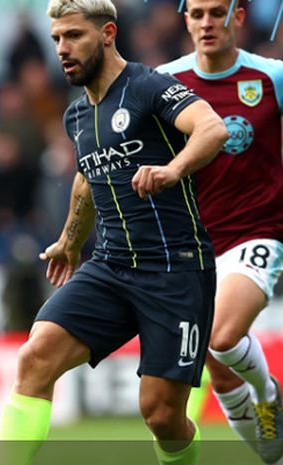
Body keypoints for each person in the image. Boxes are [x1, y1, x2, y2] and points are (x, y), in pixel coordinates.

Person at [0, 1, 229, 465]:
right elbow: (87, 176)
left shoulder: (148, 87)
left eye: (74, 36)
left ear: (107, 33)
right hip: (110, 266)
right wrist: (69, 240)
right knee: (34, 357)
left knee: (161, 416)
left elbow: (212, 128)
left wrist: (172, 168)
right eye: (57, 38)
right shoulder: (77, 116)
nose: (62, 49)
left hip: (174, 269)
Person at [158, 0, 283, 462]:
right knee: (222, 375)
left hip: (257, 232)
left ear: (239, 18)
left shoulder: (272, 78)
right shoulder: (165, 83)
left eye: (217, 12)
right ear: (185, 20)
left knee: (223, 338)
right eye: (197, 14)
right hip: (190, 247)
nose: (207, 23)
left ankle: (269, 392)